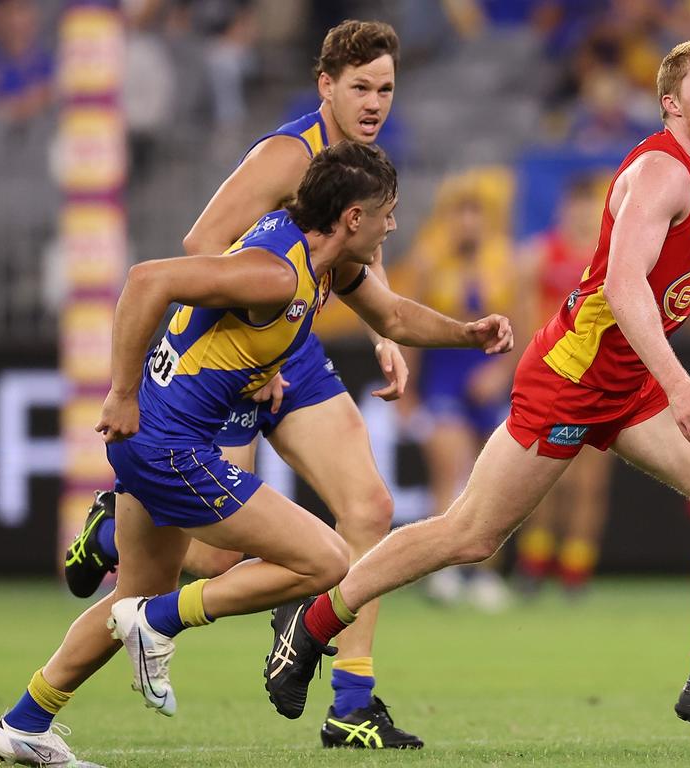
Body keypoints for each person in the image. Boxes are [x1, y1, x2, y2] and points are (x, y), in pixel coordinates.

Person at [266, 40, 690, 746]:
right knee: (471, 535)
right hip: (575, 377)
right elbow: (621, 286)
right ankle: (315, 620)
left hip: (633, 380)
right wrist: (679, 385)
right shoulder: (656, 174)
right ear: (671, 104)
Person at [0, 141, 514, 767]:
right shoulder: (276, 273)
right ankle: (162, 620)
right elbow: (146, 279)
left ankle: (24, 721)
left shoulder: (328, 262)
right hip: (167, 448)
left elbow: (393, 316)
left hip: (157, 445)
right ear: (351, 219)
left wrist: (465, 334)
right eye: (386, 212)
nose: (393, 224)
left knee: (130, 593)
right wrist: (121, 392)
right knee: (325, 559)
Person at [61, 19, 426, 748]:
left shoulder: (362, 163)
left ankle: (351, 700)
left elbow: (353, 253)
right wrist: (249, 356)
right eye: (360, 87)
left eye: (385, 87)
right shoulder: (289, 153)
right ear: (326, 86)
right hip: (241, 350)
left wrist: (385, 329)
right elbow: (202, 244)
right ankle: (114, 526)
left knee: (369, 507)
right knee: (219, 557)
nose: (374, 101)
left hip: (291, 352)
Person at [402, 175, 518, 611]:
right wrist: (409, 392)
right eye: (460, 214)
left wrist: (502, 373)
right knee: (449, 471)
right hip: (445, 381)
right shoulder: (429, 262)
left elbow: (523, 329)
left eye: (476, 215)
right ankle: (443, 571)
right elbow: (408, 329)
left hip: (489, 383)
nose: (468, 224)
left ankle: (486, 573)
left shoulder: (506, 263)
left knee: (498, 479)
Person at [512, 175, 614, 596]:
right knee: (543, 476)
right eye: (575, 207)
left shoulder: (609, 256)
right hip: (551, 378)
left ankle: (576, 569)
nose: (581, 215)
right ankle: (535, 564)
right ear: (563, 210)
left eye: (589, 208)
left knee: (589, 482)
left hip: (598, 380)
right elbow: (519, 312)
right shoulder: (537, 255)